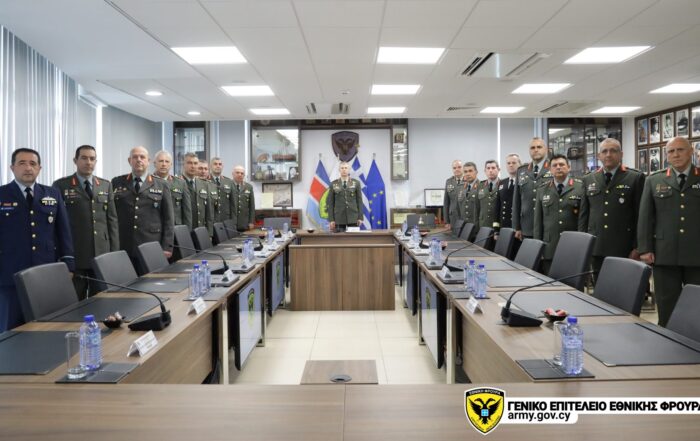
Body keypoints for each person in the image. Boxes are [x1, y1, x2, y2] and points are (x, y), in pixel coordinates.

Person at [0, 148, 75, 331]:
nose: (28, 168)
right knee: (10, 328)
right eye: (22, 163)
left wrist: (68, 264)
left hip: (45, 271)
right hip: (9, 273)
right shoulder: (2, 194)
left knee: (46, 326)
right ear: (12, 167)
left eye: (33, 164)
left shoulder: (52, 194)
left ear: (39, 168)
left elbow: (63, 232)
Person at [638, 137, 700, 327]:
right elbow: (646, 217)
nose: (676, 154)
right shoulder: (654, 180)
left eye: (680, 150)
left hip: (696, 252)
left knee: (696, 304)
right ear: (666, 156)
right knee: (666, 303)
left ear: (691, 151)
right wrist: (645, 248)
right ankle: (666, 338)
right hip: (664, 253)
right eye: (671, 151)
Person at [53, 145, 119, 300]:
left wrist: (114, 253)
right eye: (84, 158)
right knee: (75, 301)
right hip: (76, 254)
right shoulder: (61, 185)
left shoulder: (105, 185)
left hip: (101, 254)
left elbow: (112, 220)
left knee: (102, 300)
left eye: (92, 159)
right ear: (75, 160)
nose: (88, 162)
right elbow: (57, 224)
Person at [578, 138, 645, 275]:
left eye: (613, 151)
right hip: (596, 246)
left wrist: (638, 247)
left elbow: (641, 216)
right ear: (599, 156)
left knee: (623, 285)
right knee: (598, 286)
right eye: (604, 151)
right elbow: (584, 215)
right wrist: (583, 242)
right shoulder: (588, 179)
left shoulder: (635, 177)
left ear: (621, 154)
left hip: (624, 246)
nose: (608, 154)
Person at [111, 146, 174, 266]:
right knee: (125, 276)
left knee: (150, 277)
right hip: (124, 244)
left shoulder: (161, 184)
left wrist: (167, 246)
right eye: (135, 157)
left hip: (151, 244)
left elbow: (168, 219)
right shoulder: (117, 182)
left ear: (148, 161)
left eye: (142, 157)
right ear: (129, 161)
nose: (139, 160)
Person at [533, 154, 585, 274]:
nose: (558, 167)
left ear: (569, 167)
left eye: (561, 164)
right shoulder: (542, 189)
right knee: (550, 281)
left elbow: (583, 220)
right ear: (550, 169)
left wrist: (582, 246)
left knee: (573, 282)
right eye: (554, 165)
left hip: (573, 246)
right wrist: (537, 247)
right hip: (549, 247)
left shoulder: (580, 187)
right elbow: (538, 222)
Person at [513, 137, 551, 240]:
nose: (536, 150)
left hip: (547, 226)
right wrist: (517, 227)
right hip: (527, 226)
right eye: (532, 148)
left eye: (539, 147)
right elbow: (516, 200)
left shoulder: (553, 167)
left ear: (546, 149)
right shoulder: (521, 170)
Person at [153, 150, 192, 229]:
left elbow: (187, 211)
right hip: (154, 228)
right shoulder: (148, 182)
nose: (164, 164)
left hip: (175, 228)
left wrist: (187, 232)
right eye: (161, 161)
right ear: (154, 163)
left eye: (167, 161)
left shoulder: (181, 183)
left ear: (171, 165)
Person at [181, 152, 213, 235]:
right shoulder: (177, 183)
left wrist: (209, 233)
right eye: (189, 163)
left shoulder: (204, 184)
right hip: (183, 231)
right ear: (183, 165)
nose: (193, 166)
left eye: (195, 163)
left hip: (200, 230)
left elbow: (209, 212)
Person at [327, 161, 363, 232]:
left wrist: (360, 217)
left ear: (349, 170)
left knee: (353, 238)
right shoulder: (333, 184)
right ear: (339, 170)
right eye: (342, 168)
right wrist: (331, 219)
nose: (344, 170)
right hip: (339, 218)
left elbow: (359, 201)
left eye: (346, 168)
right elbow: (330, 203)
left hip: (353, 217)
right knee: (339, 238)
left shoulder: (356, 183)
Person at [494, 153, 521, 232]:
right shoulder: (502, 183)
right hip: (503, 225)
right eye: (508, 163)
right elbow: (498, 207)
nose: (511, 165)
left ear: (520, 165)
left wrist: (519, 228)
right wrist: (496, 230)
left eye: (514, 163)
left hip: (517, 227)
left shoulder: (523, 182)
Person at [477, 159, 500, 234]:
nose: (490, 170)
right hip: (483, 224)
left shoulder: (503, 185)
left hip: (498, 225)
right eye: (488, 168)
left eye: (493, 168)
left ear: (498, 170)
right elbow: (477, 207)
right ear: (485, 171)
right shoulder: (480, 186)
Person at [458, 161, 480, 237]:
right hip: (464, 228)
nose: (468, 174)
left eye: (470, 171)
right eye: (465, 172)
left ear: (476, 172)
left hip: (476, 228)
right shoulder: (462, 188)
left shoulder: (482, 187)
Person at [210, 157, 234, 223]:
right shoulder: (206, 180)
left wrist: (233, 222)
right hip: (211, 219)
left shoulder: (229, 182)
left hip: (225, 219)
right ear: (210, 166)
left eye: (220, 164)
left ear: (222, 167)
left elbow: (233, 204)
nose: (218, 166)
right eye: (215, 164)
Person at [198, 161, 220, 232]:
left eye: (206, 169)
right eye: (200, 168)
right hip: (197, 226)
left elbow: (215, 209)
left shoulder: (213, 186)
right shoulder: (191, 185)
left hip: (210, 226)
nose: (203, 171)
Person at [232, 165, 256, 231]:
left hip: (244, 222)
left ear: (244, 175)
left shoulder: (249, 187)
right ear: (233, 174)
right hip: (231, 222)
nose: (240, 175)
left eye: (242, 173)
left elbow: (251, 206)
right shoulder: (228, 185)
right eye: (237, 172)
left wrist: (251, 222)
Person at [442, 160, 463, 228]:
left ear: (463, 168)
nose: (457, 169)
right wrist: (446, 221)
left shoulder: (468, 181)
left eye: (459, 167)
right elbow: (446, 202)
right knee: (453, 234)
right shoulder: (449, 181)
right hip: (453, 217)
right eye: (454, 168)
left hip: (465, 217)